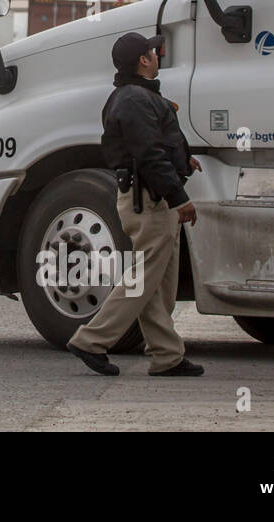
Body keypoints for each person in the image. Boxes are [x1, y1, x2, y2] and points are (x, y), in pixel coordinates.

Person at [66, 32, 205, 378]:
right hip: (150, 202)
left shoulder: (138, 97)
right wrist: (179, 198)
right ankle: (91, 340)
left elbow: (155, 146)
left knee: (158, 284)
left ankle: (167, 355)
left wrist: (184, 161)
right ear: (143, 61)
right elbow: (148, 155)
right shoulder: (133, 100)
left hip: (151, 198)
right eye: (152, 51)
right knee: (143, 279)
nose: (157, 54)